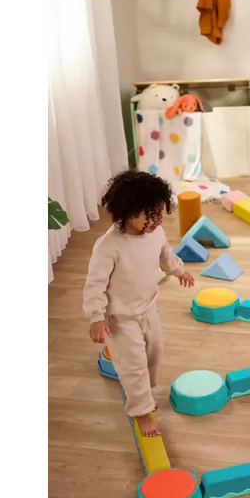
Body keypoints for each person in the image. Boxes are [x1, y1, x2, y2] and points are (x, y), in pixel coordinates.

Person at [83, 171, 195, 436]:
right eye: (150, 215)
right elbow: (95, 285)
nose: (156, 221)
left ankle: (145, 394)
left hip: (148, 308)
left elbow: (166, 257)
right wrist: (96, 317)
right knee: (134, 365)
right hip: (119, 319)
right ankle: (141, 411)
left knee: (154, 353)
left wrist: (179, 271)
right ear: (128, 212)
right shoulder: (108, 247)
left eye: (159, 214)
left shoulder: (156, 234)